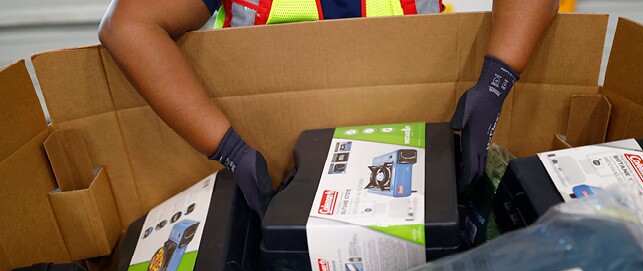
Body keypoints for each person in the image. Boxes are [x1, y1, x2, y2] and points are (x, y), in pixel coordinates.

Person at [98, 0, 559, 217]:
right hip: (286, 185)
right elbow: (129, 26)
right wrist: (231, 150)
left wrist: (495, 84)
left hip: (425, 172)